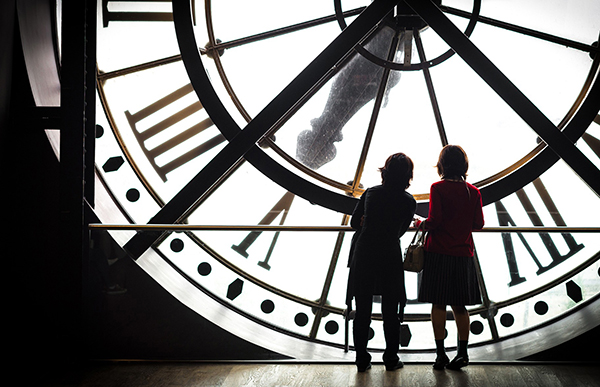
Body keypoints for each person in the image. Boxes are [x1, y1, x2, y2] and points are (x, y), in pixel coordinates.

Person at [346, 153, 417, 372]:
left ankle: (361, 358)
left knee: (363, 309)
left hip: (365, 253)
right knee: (391, 311)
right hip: (389, 255)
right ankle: (390, 358)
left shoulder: (370, 194)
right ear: (407, 176)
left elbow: (353, 224)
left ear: (384, 172)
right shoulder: (408, 201)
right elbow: (400, 231)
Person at [418, 145, 484, 371]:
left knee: (438, 304)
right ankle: (463, 353)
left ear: (442, 165)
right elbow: (478, 224)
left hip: (438, 252)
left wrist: (419, 224)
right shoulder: (473, 192)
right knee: (460, 306)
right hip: (463, 253)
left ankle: (440, 355)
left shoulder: (437, 188)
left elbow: (434, 220)